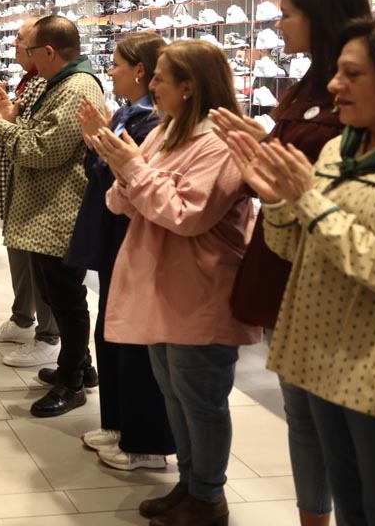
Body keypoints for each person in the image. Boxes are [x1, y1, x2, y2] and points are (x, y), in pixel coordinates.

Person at [229, 13, 375, 526]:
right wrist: (278, 204)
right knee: (352, 506)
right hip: (318, 359)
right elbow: (299, 249)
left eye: (352, 74)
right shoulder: (342, 148)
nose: (335, 85)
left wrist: (309, 202)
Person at [216, 0, 370, 526]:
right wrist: (264, 147)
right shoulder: (310, 82)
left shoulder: (358, 100)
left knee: (338, 423)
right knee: (304, 414)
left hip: (330, 265)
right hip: (289, 255)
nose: (278, 24)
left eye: (287, 13)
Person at [97, 39, 259, 526]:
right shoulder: (165, 132)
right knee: (174, 394)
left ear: (190, 86)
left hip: (201, 290)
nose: (153, 85)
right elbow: (118, 202)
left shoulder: (222, 143)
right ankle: (190, 485)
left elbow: (186, 215)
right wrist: (127, 171)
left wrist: (133, 172)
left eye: (162, 77)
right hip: (162, 286)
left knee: (202, 400)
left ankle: (209, 496)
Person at [0, 15, 106, 417]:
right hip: (45, 210)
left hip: (59, 212)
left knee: (66, 298)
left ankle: (72, 381)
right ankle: (78, 365)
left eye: (30, 51)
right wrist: (8, 116)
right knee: (55, 294)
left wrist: (1, 127)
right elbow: (32, 130)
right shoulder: (58, 83)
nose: (27, 58)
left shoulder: (77, 88)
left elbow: (43, 150)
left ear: (48, 51)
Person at [65, 32, 175, 471]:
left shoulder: (149, 121)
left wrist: (98, 143)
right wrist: (99, 142)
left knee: (132, 339)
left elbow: (114, 173)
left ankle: (142, 439)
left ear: (142, 71)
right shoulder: (131, 113)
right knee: (111, 332)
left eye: (116, 64)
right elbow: (105, 170)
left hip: (128, 232)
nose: (109, 72)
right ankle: (118, 424)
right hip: (112, 228)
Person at [0, 23, 59, 365]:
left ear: (45, 49)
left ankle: (49, 335)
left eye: (22, 40)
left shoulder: (59, 84)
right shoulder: (33, 80)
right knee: (19, 254)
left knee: (41, 266)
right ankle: (23, 318)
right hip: (18, 180)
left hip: (39, 189)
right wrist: (6, 111)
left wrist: (5, 116)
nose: (15, 44)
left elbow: (40, 141)